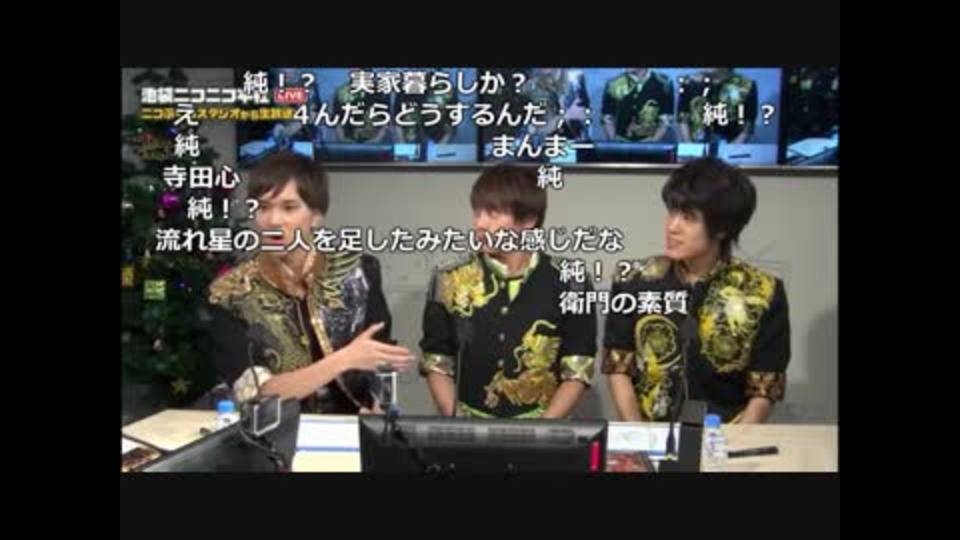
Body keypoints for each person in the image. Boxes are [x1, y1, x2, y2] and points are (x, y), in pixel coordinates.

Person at [208, 152, 413, 414]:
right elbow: (259, 391)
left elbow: (379, 358)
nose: (273, 221)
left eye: (289, 208)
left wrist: (378, 407)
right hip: (274, 429)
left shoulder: (358, 272)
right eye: (263, 208)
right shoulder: (230, 293)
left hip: (353, 424)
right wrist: (344, 359)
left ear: (316, 215)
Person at [603, 157, 790, 423]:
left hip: (725, 433)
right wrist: (637, 432)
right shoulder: (633, 279)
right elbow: (618, 365)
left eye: (688, 218)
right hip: (649, 430)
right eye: (672, 212)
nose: (672, 227)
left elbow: (765, 386)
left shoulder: (764, 292)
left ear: (722, 228)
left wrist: (735, 441)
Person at [419, 164, 597, 418]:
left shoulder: (571, 281)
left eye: (492, 214)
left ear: (528, 220)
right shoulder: (449, 278)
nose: (479, 223)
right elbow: (436, 360)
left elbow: (578, 367)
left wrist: (543, 431)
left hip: (545, 426)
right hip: (467, 426)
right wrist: (459, 423)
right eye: (477, 212)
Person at [677, 68, 758, 145]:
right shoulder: (689, 83)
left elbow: (748, 125)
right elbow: (683, 119)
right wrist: (690, 146)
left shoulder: (746, 86)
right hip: (696, 144)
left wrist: (733, 148)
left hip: (732, 145)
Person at [601, 68, 674, 142]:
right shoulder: (614, 83)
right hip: (621, 142)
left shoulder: (663, 84)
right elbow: (607, 117)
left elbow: (666, 119)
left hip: (651, 142)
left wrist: (654, 140)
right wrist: (614, 141)